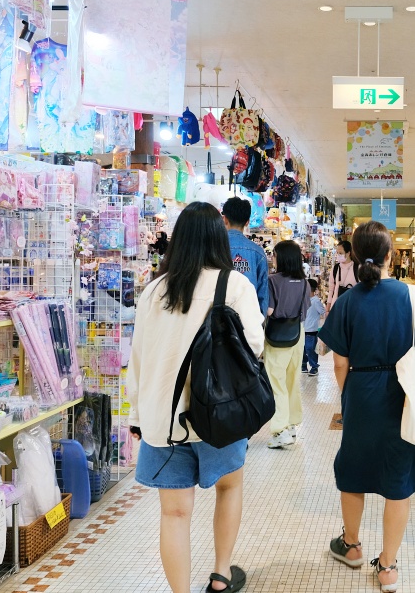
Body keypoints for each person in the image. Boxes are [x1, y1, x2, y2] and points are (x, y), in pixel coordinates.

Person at [127, 201, 265, 593]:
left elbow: (137, 358)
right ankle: (221, 575)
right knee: (229, 487)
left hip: (162, 418)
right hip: (219, 413)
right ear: (219, 241)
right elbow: (254, 344)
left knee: (173, 514)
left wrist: (137, 414)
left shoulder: (154, 290)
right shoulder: (234, 285)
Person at [319, 221, 415, 593]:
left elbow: (338, 362)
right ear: (390, 256)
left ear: (353, 257)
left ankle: (352, 546)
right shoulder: (410, 295)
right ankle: (387, 567)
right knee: (398, 477)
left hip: (362, 390)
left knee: (353, 469)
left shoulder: (347, 301)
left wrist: (349, 394)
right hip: (404, 393)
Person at [264, 240, 312, 449]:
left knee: (276, 382)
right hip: (297, 333)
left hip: (277, 335)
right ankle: (292, 425)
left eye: (274, 255)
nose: (272, 258)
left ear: (281, 257)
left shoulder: (272, 280)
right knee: (293, 380)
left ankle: (280, 429)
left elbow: (269, 311)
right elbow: (306, 310)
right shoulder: (304, 282)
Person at [222, 197, 269, 318]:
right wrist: (259, 323)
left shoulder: (213, 246)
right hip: (247, 319)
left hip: (217, 320)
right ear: (247, 222)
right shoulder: (258, 252)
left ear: (225, 219)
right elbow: (263, 292)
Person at [302, 278, 325, 375]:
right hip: (302, 329)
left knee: (310, 349)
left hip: (311, 330)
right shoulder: (303, 299)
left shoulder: (315, 301)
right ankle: (303, 365)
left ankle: (314, 366)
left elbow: (323, 312)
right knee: (303, 349)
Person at [327, 240, 358, 310]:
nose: (338, 255)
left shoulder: (357, 268)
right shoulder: (335, 268)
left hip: (353, 308)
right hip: (337, 307)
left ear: (348, 253)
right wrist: (328, 309)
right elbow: (331, 289)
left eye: (340, 253)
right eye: (337, 253)